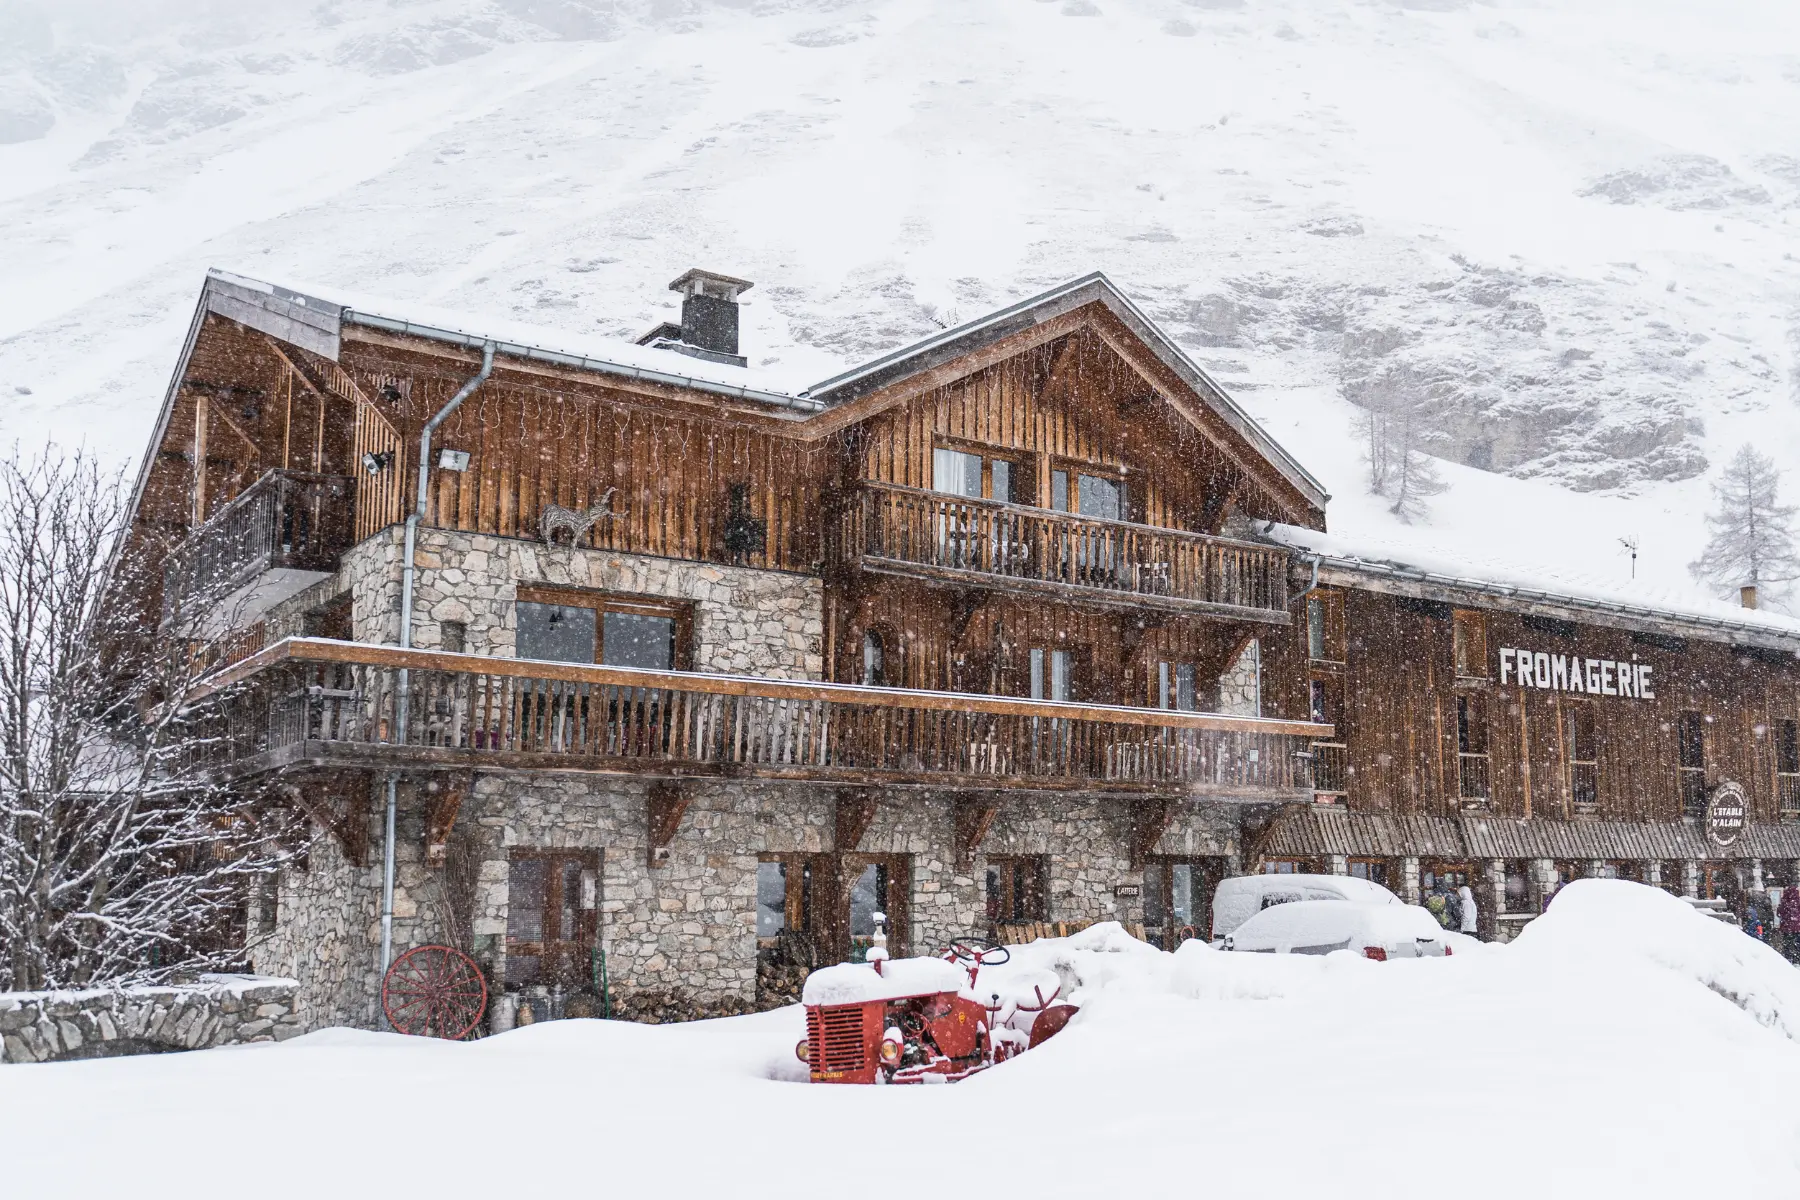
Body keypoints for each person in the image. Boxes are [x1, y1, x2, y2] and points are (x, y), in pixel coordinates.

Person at [1780, 885, 1800, 964]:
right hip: (1798, 927)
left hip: (1787, 927)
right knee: (1797, 945)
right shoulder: (1798, 900)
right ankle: (1797, 960)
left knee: (1787, 945)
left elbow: (1780, 913)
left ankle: (1787, 960)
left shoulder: (1785, 901)